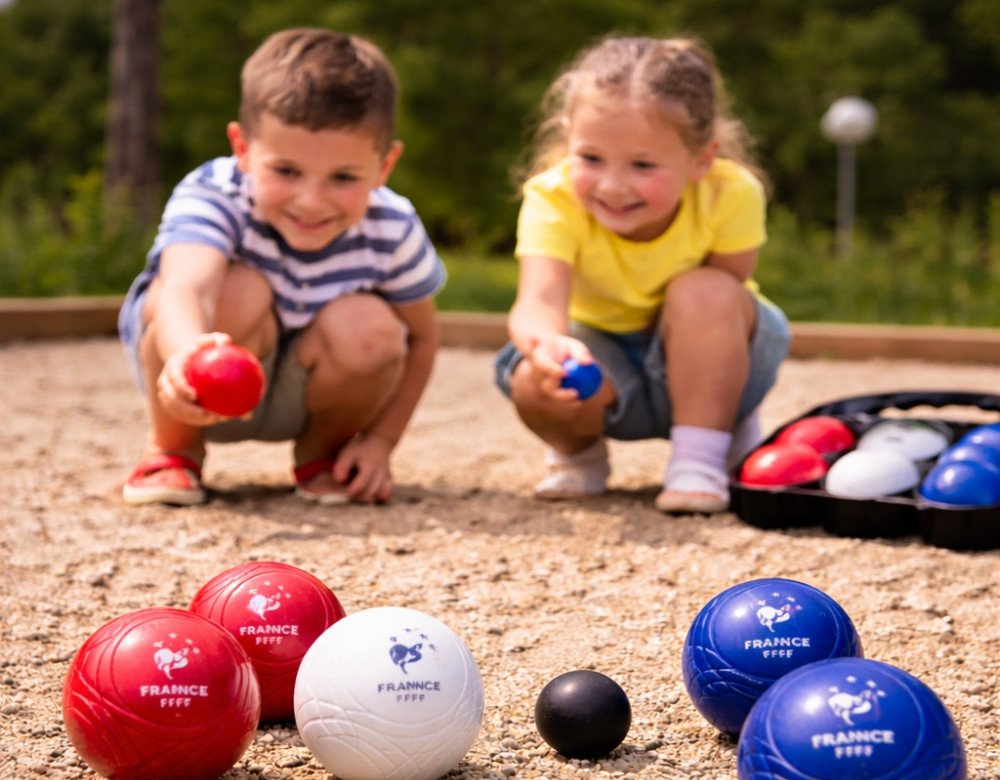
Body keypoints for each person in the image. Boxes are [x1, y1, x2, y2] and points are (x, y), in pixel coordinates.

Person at [118, 28, 445, 507]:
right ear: (243, 148)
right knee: (238, 290)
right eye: (287, 171)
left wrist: (381, 441)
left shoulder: (392, 226)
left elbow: (422, 338)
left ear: (384, 166)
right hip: (199, 384)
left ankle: (323, 457)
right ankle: (173, 450)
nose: (310, 201)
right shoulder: (213, 192)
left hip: (311, 391)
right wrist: (186, 353)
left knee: (373, 325)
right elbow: (185, 288)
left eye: (343, 177)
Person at [493, 36, 792, 513]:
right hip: (603, 358)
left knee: (706, 292)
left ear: (702, 160)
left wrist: (704, 374)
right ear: (567, 138)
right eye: (591, 158)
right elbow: (539, 299)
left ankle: (702, 457)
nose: (613, 185)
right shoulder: (552, 198)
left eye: (643, 165)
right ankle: (578, 456)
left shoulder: (732, 193)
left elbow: (728, 290)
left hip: (705, 358)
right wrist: (547, 344)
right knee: (534, 378)